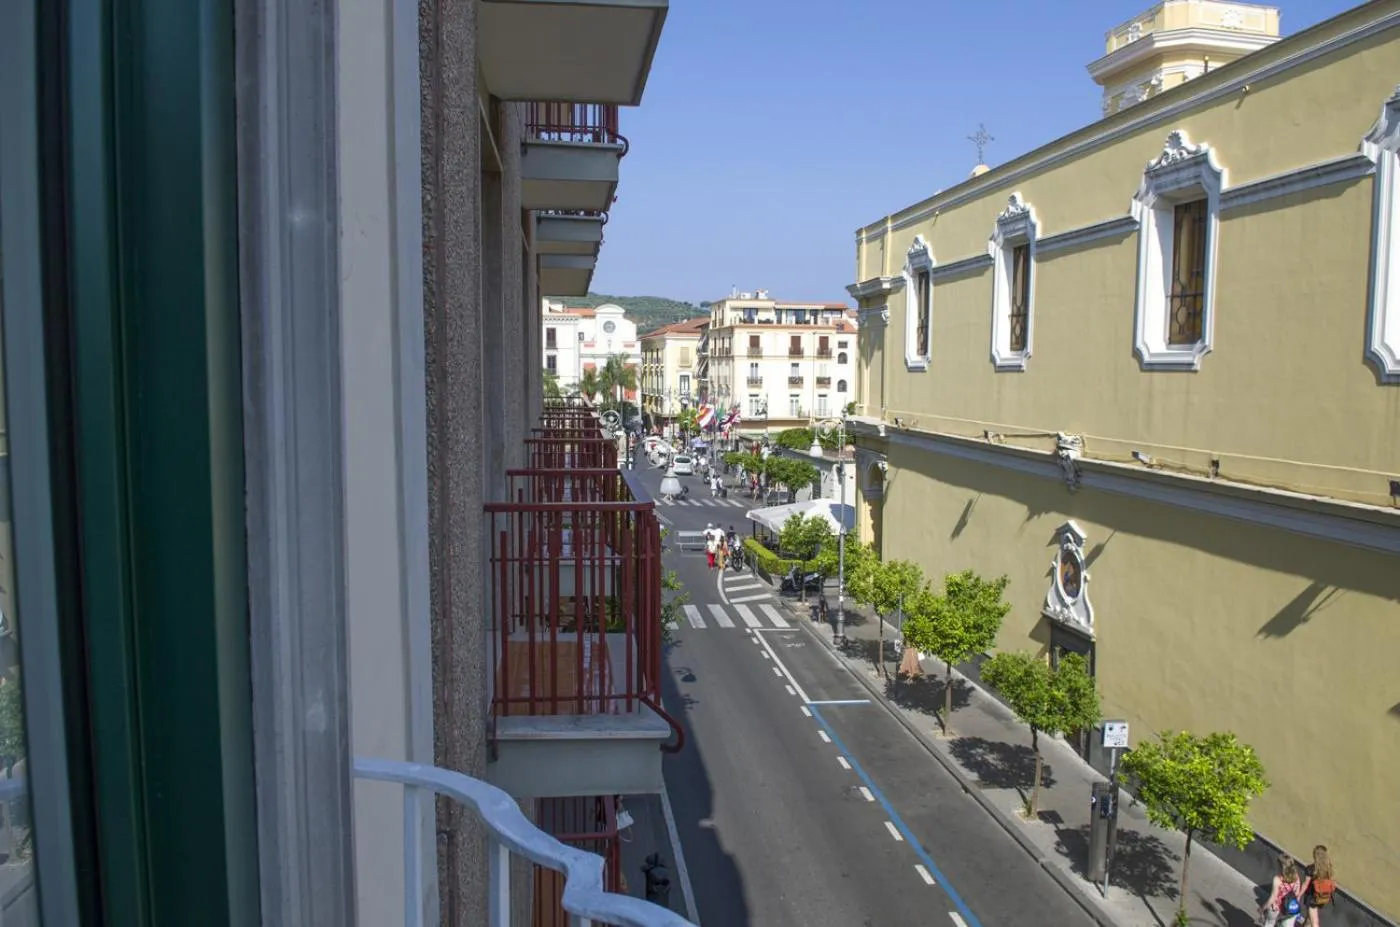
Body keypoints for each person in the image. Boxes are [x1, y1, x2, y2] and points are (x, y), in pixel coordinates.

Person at [1259, 854, 1304, 927]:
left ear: (1281, 867)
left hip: (1275, 908)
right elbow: (1297, 894)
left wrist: (1262, 908)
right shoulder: (1296, 878)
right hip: (1288, 908)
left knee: (1269, 924)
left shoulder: (1277, 879)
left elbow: (1273, 897)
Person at [1299, 845, 1336, 927]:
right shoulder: (1328, 868)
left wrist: (1298, 895)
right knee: (1309, 918)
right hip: (1323, 896)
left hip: (1312, 898)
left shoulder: (1311, 869)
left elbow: (1305, 884)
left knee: (1315, 922)